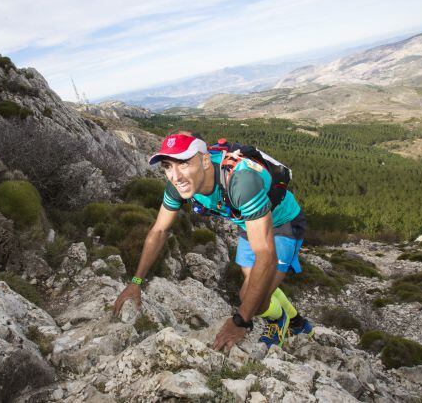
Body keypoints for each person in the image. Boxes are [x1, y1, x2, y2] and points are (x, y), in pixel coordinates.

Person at [113, 132, 311, 352]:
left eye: (184, 163)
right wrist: (135, 282)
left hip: (283, 222)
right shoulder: (179, 186)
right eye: (168, 166)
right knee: (255, 285)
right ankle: (297, 323)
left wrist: (241, 321)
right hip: (250, 223)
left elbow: (266, 256)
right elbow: (159, 230)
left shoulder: (240, 182)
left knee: (253, 296)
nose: (175, 176)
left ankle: (279, 319)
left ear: (205, 160)